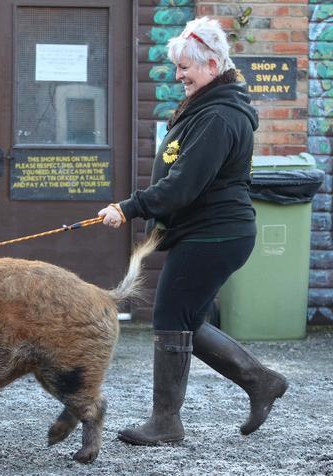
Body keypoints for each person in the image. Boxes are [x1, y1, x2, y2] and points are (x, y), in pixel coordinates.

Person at [98, 17, 288, 446]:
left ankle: (167, 421)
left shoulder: (219, 116)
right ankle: (260, 381)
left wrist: (128, 208)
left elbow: (183, 185)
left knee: (171, 316)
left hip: (216, 234)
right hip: (208, 232)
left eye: (186, 67)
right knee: (184, 319)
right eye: (178, 66)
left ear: (213, 63)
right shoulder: (206, 107)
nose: (178, 74)